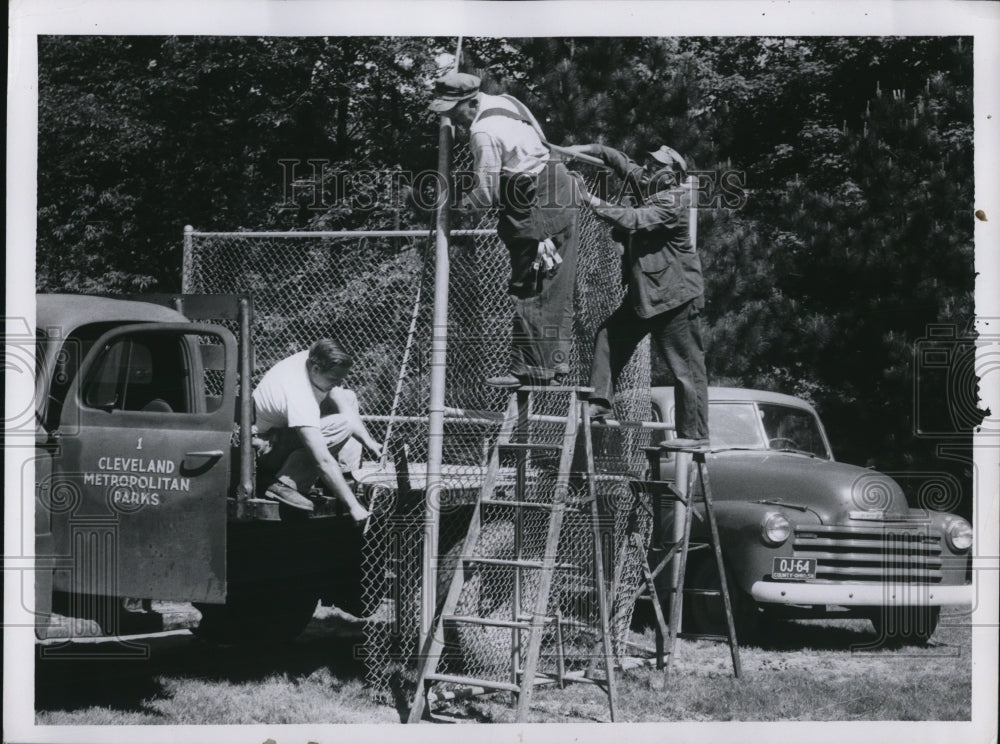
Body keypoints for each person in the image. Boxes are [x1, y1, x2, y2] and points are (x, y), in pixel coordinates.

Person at [429, 71, 580, 387]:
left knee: (530, 282)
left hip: (535, 205)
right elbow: (537, 142)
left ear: (469, 103)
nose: (450, 119)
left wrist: (457, 207)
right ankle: (554, 367)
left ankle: (529, 370)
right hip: (559, 188)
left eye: (452, 111)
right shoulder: (506, 102)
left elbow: (487, 193)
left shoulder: (482, 132)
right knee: (552, 281)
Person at [567, 142, 709, 448]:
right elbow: (616, 159)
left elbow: (632, 219)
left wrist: (589, 199)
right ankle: (599, 402)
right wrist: (576, 149)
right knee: (609, 336)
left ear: (670, 176)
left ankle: (695, 436)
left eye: (655, 166)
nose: (646, 168)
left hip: (674, 298)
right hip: (645, 296)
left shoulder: (674, 201)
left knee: (685, 369)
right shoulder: (648, 180)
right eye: (647, 163)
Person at [252, 339, 382, 519]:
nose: (336, 383)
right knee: (342, 425)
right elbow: (322, 460)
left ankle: (344, 478)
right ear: (315, 369)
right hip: (267, 450)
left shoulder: (313, 359)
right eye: (333, 379)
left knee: (348, 397)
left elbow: (345, 408)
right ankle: (285, 483)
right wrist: (353, 507)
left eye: (340, 379)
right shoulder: (299, 393)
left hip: (282, 434)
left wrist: (369, 442)